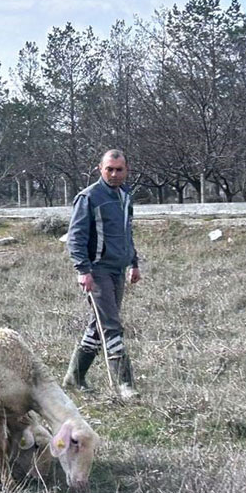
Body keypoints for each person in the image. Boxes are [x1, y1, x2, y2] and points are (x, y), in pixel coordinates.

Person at [64, 149, 142, 399]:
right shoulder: (88, 197)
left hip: (118, 269)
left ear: (126, 170)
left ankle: (74, 378)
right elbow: (76, 237)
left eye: (119, 169)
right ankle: (124, 385)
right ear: (100, 169)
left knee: (98, 325)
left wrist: (134, 262)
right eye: (110, 169)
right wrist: (83, 270)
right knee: (111, 325)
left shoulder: (125, 196)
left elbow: (126, 232)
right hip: (97, 271)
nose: (115, 174)